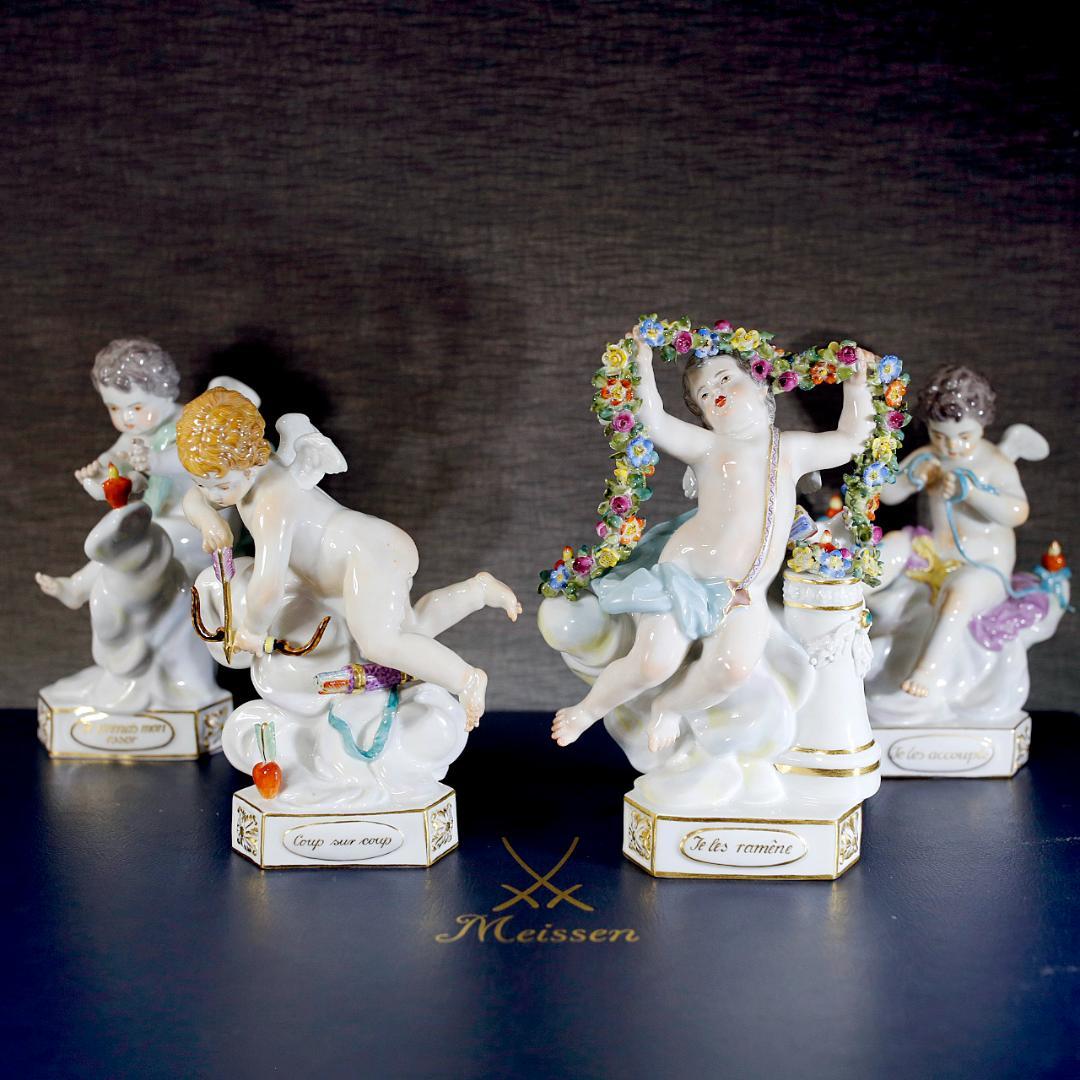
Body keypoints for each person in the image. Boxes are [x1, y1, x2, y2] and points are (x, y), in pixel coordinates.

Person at [552, 327, 876, 751]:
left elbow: (851, 440)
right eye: (704, 394)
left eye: (725, 379)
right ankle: (587, 711)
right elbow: (652, 419)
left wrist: (857, 385)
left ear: (762, 386)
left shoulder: (792, 449)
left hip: (745, 590)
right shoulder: (708, 446)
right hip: (686, 574)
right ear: (703, 416)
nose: (715, 392)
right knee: (653, 662)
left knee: (731, 669)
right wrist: (643, 363)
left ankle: (670, 706)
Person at [177, 388, 520, 729]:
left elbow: (268, 584)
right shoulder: (244, 469)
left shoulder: (271, 501)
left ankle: (466, 679)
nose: (213, 495)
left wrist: (252, 631)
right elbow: (195, 496)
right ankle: (477, 591)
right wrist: (208, 521)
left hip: (366, 553)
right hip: (355, 560)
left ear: (250, 464)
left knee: (380, 644)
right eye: (205, 484)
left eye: (222, 486)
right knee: (411, 631)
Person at [876, 366, 1030, 698]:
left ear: (983, 424)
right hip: (935, 551)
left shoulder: (994, 463)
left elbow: (1017, 512)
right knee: (896, 542)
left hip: (983, 564)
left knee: (958, 596)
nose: (952, 447)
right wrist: (913, 478)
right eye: (939, 436)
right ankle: (854, 594)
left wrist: (972, 494)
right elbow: (887, 494)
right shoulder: (928, 457)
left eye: (964, 436)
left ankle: (927, 671)